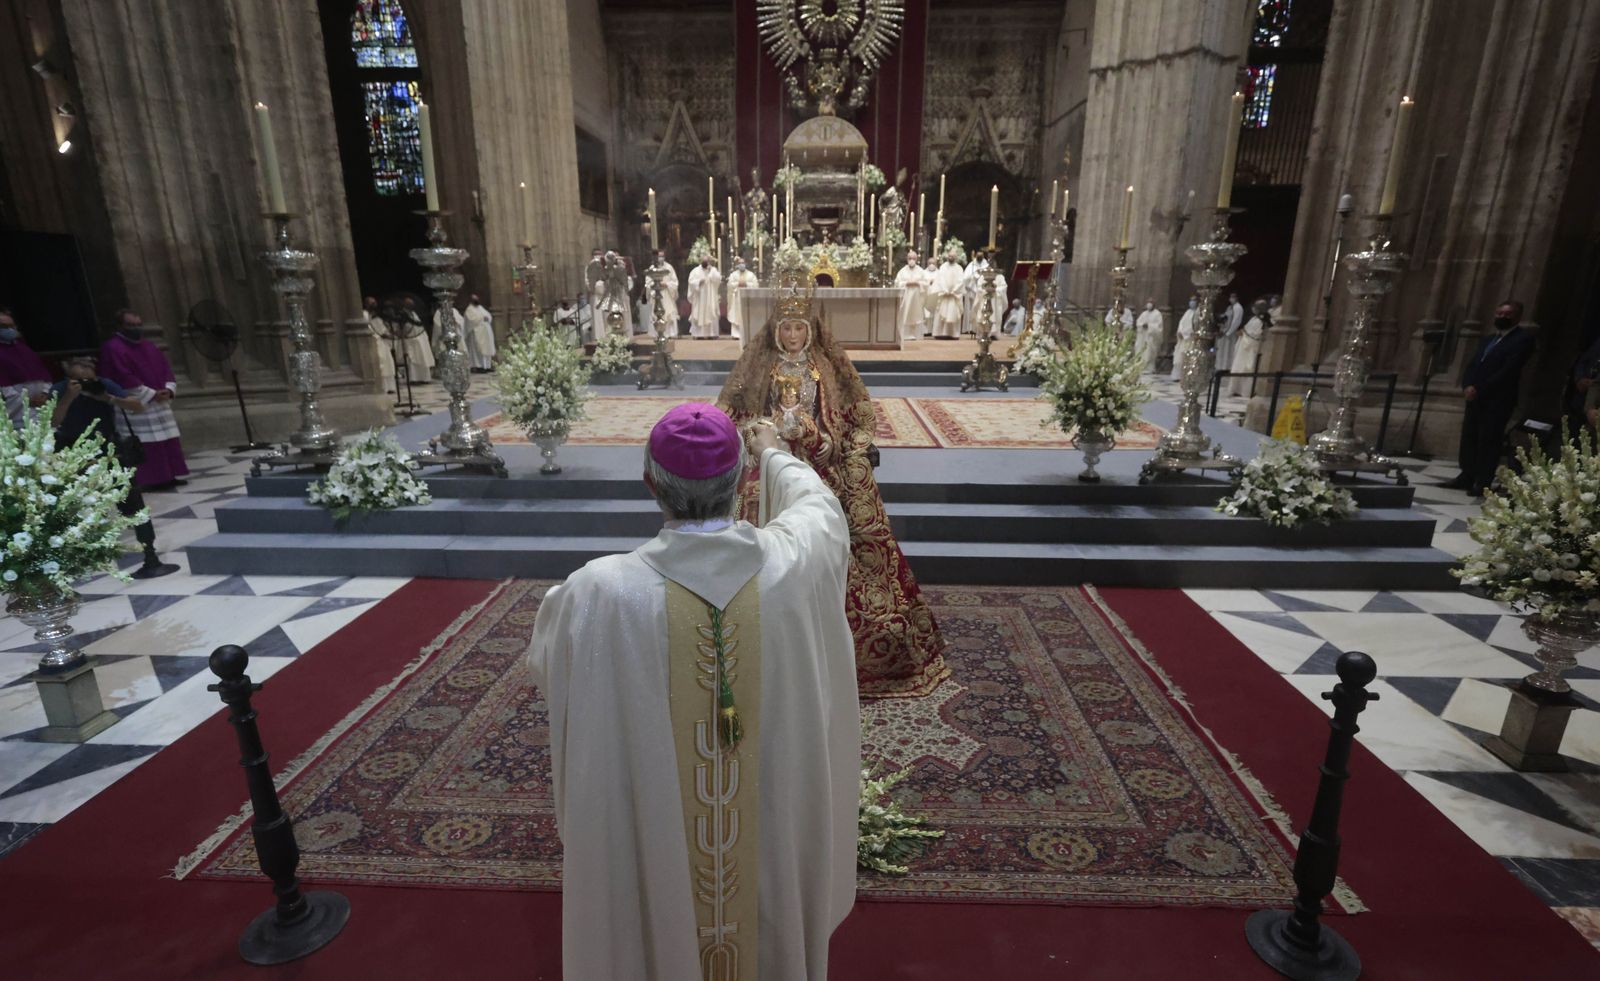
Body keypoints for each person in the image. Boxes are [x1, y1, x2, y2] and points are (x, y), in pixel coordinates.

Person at [528, 403, 859, 981]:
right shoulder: (793, 564)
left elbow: (550, 662)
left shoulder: (599, 594)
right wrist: (774, 452)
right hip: (768, 836)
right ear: (739, 482)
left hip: (657, 845)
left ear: (650, 483)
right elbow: (821, 510)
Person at [718, 285, 950, 698]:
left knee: (827, 520)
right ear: (776, 330)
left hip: (814, 462)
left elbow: (844, 421)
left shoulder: (823, 369)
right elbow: (737, 413)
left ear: (810, 331)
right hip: (766, 458)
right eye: (786, 328)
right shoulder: (761, 367)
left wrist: (822, 438)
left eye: (798, 328)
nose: (792, 336)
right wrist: (759, 433)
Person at [50, 357, 177, 579]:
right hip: (73, 453)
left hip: (110, 450)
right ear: (68, 375)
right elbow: (53, 421)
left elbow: (138, 406)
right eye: (80, 378)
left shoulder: (104, 384)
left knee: (133, 502)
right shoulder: (60, 389)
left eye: (89, 376)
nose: (86, 381)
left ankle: (149, 554)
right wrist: (70, 397)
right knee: (81, 505)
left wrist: (106, 397)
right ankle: (86, 556)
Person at [1442, 300, 1537, 495]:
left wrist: (1480, 388)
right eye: (1499, 313)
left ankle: (1482, 480)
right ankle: (1467, 474)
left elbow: (1509, 370)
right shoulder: (1489, 339)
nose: (1502, 317)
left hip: (1497, 399)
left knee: (1489, 440)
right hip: (1475, 397)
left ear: (1517, 317)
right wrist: (1467, 385)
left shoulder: (1523, 339)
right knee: (1469, 437)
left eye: (1507, 314)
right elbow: (1473, 365)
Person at [97, 308, 189, 491]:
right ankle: (149, 480)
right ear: (120, 326)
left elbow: (165, 369)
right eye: (131, 325)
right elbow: (121, 375)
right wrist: (151, 394)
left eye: (138, 325)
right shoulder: (113, 347)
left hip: (159, 401)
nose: (136, 329)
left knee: (166, 439)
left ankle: (168, 475)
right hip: (136, 403)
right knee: (144, 442)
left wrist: (168, 390)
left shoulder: (149, 346)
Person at [0, 307, 52, 428]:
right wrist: (26, 401)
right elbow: (4, 389)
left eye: (12, 326)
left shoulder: (24, 348)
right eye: (3, 326)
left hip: (40, 410)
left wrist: (45, 393)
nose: (10, 329)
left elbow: (44, 376)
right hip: (16, 416)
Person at [1227, 299, 1268, 397]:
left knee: (1247, 369)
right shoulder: (1253, 319)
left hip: (1250, 348)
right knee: (1238, 368)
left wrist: (1244, 333)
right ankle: (1236, 389)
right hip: (1243, 347)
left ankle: (1246, 391)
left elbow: (1257, 336)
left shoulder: (1260, 321)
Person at [893, 250, 932, 342]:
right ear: (907, 259)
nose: (912, 260)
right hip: (906, 298)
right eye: (910, 258)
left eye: (913, 258)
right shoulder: (902, 271)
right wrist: (906, 283)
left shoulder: (921, 271)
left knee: (916, 315)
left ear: (916, 259)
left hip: (917, 299)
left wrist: (917, 283)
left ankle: (915, 334)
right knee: (905, 314)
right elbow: (897, 282)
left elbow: (926, 283)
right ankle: (905, 334)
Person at [361, 296, 396, 394]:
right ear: (366, 304)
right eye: (372, 303)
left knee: (388, 363)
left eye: (375, 302)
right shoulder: (364, 314)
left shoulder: (376, 315)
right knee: (381, 364)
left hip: (382, 342)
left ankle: (389, 387)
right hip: (374, 341)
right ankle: (382, 387)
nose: (374, 305)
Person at [929, 250, 966, 339]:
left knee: (953, 312)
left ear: (956, 257)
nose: (951, 258)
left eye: (953, 256)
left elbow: (961, 281)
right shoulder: (943, 267)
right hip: (944, 294)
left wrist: (953, 290)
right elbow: (940, 279)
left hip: (954, 295)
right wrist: (945, 290)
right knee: (941, 313)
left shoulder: (959, 268)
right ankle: (939, 333)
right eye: (949, 256)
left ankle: (953, 334)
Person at [397, 296, 434, 383]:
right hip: (410, 340)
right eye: (409, 303)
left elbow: (418, 324)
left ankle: (424, 378)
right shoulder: (402, 314)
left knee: (422, 359)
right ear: (405, 304)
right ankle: (413, 379)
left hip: (420, 339)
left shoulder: (413, 313)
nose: (411, 305)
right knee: (412, 360)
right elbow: (402, 327)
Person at [642, 250, 680, 335]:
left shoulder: (669, 267)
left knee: (668, 312)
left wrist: (667, 284)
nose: (660, 258)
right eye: (659, 256)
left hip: (667, 293)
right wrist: (655, 285)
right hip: (656, 294)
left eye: (662, 256)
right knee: (656, 314)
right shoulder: (652, 268)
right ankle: (657, 333)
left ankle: (669, 333)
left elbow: (675, 282)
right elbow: (648, 283)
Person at [688, 257, 723, 339]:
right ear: (701, 261)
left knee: (711, 311)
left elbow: (718, 279)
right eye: (704, 261)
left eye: (707, 261)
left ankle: (712, 334)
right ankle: (698, 334)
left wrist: (711, 272)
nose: (705, 262)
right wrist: (699, 281)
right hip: (700, 297)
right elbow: (691, 282)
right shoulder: (695, 271)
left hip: (710, 297)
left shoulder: (713, 270)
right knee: (699, 312)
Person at [725, 257, 758, 341]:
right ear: (737, 265)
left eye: (743, 263)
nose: (741, 265)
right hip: (737, 298)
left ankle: (746, 333)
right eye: (740, 263)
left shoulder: (751, 275)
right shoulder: (733, 275)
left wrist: (746, 284)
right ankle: (736, 334)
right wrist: (738, 284)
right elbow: (729, 285)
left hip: (747, 299)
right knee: (736, 315)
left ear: (745, 264)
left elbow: (755, 285)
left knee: (746, 315)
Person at [463, 294, 496, 373]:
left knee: (487, 348)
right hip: (476, 333)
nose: (476, 300)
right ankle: (478, 366)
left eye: (477, 298)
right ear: (471, 300)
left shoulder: (480, 308)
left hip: (485, 332)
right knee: (478, 350)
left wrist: (487, 318)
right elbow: (471, 320)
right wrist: (482, 318)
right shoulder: (469, 309)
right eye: (474, 299)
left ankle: (487, 366)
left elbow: (488, 315)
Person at [1216, 292, 1244, 377]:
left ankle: (1227, 367)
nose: (1231, 299)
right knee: (1221, 350)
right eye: (1230, 297)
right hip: (1224, 330)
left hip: (1230, 333)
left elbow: (1236, 321)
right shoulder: (1230, 307)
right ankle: (1220, 366)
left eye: (1233, 297)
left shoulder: (1238, 308)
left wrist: (1229, 332)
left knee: (1229, 350)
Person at [1171, 295, 1198, 381]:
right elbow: (1181, 323)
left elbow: (1194, 326)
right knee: (1179, 359)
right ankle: (1178, 376)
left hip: (1190, 339)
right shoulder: (1188, 312)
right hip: (1182, 339)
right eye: (1191, 300)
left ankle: (1187, 377)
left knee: (1188, 358)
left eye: (1194, 300)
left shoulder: (1198, 312)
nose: (1192, 302)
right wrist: (1179, 332)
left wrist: (1186, 334)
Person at [1135, 299, 1164, 373]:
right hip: (1143, 336)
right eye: (1148, 302)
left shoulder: (1157, 314)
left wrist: (1149, 326)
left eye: (1151, 303)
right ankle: (1141, 367)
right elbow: (1138, 322)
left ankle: (1150, 368)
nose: (1149, 304)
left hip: (1151, 337)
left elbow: (1159, 327)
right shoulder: (1144, 313)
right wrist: (1142, 325)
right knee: (1141, 350)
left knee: (1150, 351)